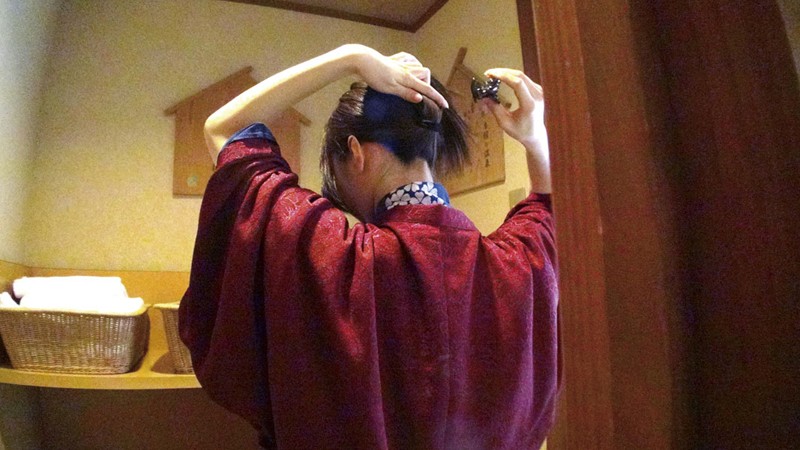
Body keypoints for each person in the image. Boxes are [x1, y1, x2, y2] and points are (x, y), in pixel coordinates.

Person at [179, 44, 560, 449]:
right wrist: (536, 140)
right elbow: (549, 208)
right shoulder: (517, 265)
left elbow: (223, 130)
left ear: (356, 153)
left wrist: (349, 57)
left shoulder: (329, 254)